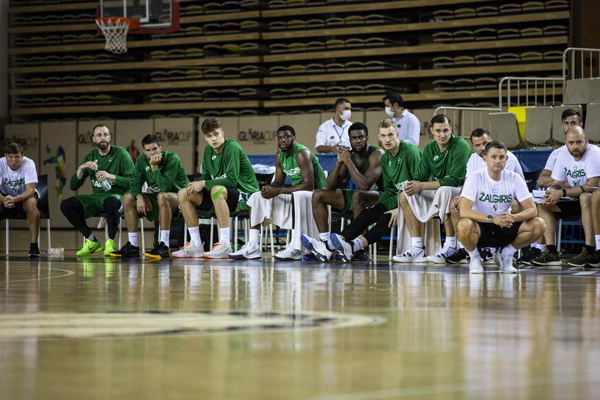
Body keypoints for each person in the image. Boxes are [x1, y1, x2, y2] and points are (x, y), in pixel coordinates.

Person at [308, 119, 422, 263]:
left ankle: (345, 247)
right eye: (384, 135)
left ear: (397, 134)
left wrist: (399, 208)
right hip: (393, 197)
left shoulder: (402, 152)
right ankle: (331, 244)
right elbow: (390, 189)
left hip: (409, 198)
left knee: (380, 215)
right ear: (379, 137)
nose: (387, 139)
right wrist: (339, 162)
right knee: (368, 213)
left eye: (391, 135)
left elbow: (419, 183)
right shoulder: (387, 157)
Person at [229, 124, 327, 261]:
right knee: (257, 197)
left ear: (294, 138)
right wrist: (270, 188)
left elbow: (309, 185)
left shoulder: (301, 153)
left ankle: (296, 248)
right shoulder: (279, 156)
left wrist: (279, 190)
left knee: (297, 196)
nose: (283, 140)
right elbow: (279, 182)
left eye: (286, 137)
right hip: (298, 195)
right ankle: (253, 246)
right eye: (280, 138)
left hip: (316, 195)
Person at [173, 117, 259, 259]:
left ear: (222, 134)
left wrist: (204, 184)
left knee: (216, 189)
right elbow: (205, 177)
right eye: (209, 136)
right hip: (220, 196)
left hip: (244, 194)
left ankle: (225, 244)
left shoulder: (232, 147)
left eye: (216, 134)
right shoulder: (208, 151)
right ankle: (196, 245)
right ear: (205, 138)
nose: (213, 139)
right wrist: (197, 185)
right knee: (183, 193)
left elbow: (231, 180)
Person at [456, 140, 546, 274]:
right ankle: (474, 257)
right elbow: (463, 211)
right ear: (485, 158)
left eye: (501, 157)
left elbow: (532, 209)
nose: (497, 161)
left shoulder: (514, 178)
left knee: (539, 224)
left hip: (506, 224)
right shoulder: (475, 177)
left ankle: (507, 254)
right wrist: (492, 218)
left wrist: (514, 217)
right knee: (463, 225)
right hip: (481, 225)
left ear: (506, 159)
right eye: (493, 157)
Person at [301, 122, 385, 261]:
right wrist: (340, 162)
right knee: (319, 194)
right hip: (360, 197)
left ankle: (358, 248)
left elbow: (365, 185)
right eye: (354, 138)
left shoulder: (377, 153)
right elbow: (330, 186)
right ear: (349, 139)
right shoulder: (349, 156)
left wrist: (348, 162)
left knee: (359, 194)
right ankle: (325, 243)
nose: (357, 141)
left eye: (361, 137)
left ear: (367, 138)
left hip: (380, 197)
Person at [394, 114, 471, 263]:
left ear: (451, 130)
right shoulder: (429, 148)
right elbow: (420, 176)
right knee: (405, 194)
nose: (442, 135)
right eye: (438, 131)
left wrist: (421, 185)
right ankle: (417, 247)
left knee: (445, 190)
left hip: (461, 191)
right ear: (431, 131)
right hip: (439, 191)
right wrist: (412, 185)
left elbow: (454, 180)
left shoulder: (460, 145)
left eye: (446, 130)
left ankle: (450, 245)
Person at [446, 128, 525, 264]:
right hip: (484, 196)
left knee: (498, 202)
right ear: (473, 147)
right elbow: (469, 181)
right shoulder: (472, 158)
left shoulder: (505, 157)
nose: (482, 147)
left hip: (512, 199)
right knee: (456, 205)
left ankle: (494, 249)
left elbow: (503, 188)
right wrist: (463, 196)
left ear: (491, 140)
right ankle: (467, 247)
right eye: (477, 145)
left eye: (485, 143)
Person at [518, 108, 583, 264]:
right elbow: (542, 180)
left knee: (586, 197)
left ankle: (541, 249)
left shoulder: (588, 150)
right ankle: (545, 251)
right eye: (566, 123)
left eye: (573, 123)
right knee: (539, 203)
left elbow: (585, 182)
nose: (569, 126)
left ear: (581, 124)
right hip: (561, 199)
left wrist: (562, 183)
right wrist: (561, 183)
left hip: (581, 197)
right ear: (562, 127)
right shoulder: (558, 153)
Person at [109, 134, 189, 259]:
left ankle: (164, 245)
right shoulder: (141, 160)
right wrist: (138, 196)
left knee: (163, 195)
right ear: (144, 151)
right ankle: (133, 246)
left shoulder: (172, 158)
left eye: (154, 149)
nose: (152, 153)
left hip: (180, 200)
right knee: (128, 197)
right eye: (148, 150)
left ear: (160, 148)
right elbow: (134, 183)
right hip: (159, 200)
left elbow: (165, 187)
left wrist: (154, 167)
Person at [531, 126, 600, 268]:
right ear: (565, 143)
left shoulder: (594, 153)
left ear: (586, 141)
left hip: (595, 199)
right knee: (543, 204)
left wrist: (562, 192)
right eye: (571, 143)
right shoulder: (562, 154)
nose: (575, 146)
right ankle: (551, 252)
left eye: (579, 142)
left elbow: (592, 185)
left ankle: (590, 249)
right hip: (574, 200)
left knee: (586, 197)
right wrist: (552, 193)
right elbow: (557, 183)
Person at [61, 124, 134, 256]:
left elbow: (133, 181)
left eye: (105, 135)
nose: (103, 138)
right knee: (66, 205)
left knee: (110, 202)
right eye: (99, 135)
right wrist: (81, 169)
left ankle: (110, 243)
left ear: (110, 137)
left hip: (117, 196)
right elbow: (73, 186)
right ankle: (91, 240)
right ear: (94, 139)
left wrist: (110, 176)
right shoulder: (90, 156)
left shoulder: (121, 153)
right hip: (97, 197)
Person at [0, 143, 40, 257]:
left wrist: (14, 199)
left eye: (17, 157)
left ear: (22, 156)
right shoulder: (0, 163)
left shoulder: (29, 163)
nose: (14, 160)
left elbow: (30, 191)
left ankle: (34, 246)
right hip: (5, 197)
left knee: (32, 202)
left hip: (23, 197)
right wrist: (3, 199)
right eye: (11, 157)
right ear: (6, 156)